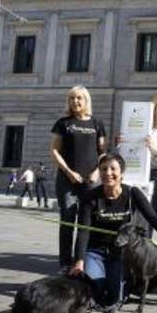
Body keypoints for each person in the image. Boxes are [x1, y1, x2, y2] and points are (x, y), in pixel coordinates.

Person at [71, 153, 157, 308]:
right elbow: (83, 231)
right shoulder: (90, 197)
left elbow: (153, 217)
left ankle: (132, 284)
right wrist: (79, 261)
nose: (108, 173)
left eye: (113, 169)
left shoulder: (132, 193)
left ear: (121, 173)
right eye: (104, 169)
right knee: (95, 290)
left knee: (116, 298)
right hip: (95, 253)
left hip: (122, 254)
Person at [50, 85, 107, 272]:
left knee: (86, 222)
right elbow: (54, 151)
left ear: (86, 100)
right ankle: (65, 263)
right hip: (67, 181)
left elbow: (102, 152)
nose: (75, 102)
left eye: (79, 98)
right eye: (72, 98)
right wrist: (68, 171)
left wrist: (97, 171)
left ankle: (80, 262)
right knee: (67, 221)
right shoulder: (63, 123)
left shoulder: (97, 124)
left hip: (90, 182)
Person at [116, 93, 157, 213]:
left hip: (154, 174)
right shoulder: (141, 126)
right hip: (134, 171)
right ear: (154, 108)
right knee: (130, 209)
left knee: (149, 212)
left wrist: (154, 149)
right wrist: (121, 142)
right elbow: (124, 152)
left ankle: (146, 233)